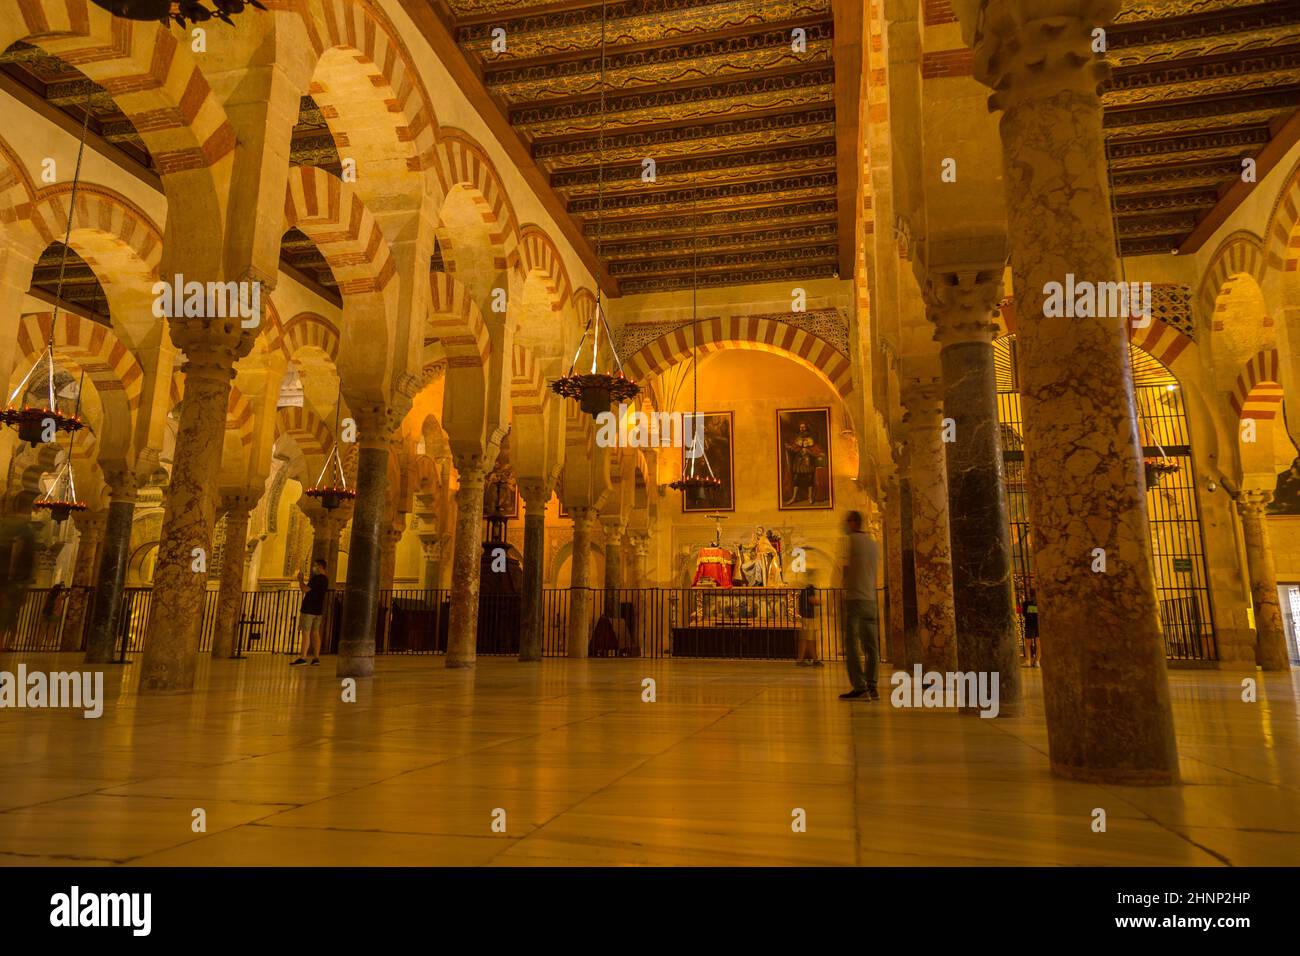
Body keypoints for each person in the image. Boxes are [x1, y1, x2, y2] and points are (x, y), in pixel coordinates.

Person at [838, 510, 880, 701]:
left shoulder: (849, 541)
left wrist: (841, 589)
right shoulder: (873, 545)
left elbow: (845, 571)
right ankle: (872, 687)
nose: (845, 525)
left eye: (847, 521)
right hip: (870, 598)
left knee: (852, 644)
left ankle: (860, 687)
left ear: (854, 522)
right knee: (871, 646)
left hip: (855, 598)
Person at [291, 558, 329, 666]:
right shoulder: (326, 579)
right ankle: (316, 658)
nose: (314, 568)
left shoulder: (316, 579)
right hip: (318, 610)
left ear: (320, 566)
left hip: (309, 610)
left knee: (306, 633)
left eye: (315, 565)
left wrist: (300, 580)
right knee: (315, 633)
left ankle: (303, 657)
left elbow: (305, 589)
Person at [797, 578, 823, 667]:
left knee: (807, 639)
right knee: (807, 639)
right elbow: (812, 600)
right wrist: (822, 601)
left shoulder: (802, 588)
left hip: (805, 615)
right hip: (808, 616)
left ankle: (812, 659)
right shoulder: (810, 588)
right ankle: (803, 660)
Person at [1021, 590, 1040, 667]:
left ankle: (1028, 661)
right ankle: (1037, 661)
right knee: (1039, 644)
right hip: (1038, 625)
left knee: (1027, 644)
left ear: (1029, 594)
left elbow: (1024, 614)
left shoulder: (1026, 603)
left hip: (1029, 625)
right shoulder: (1039, 603)